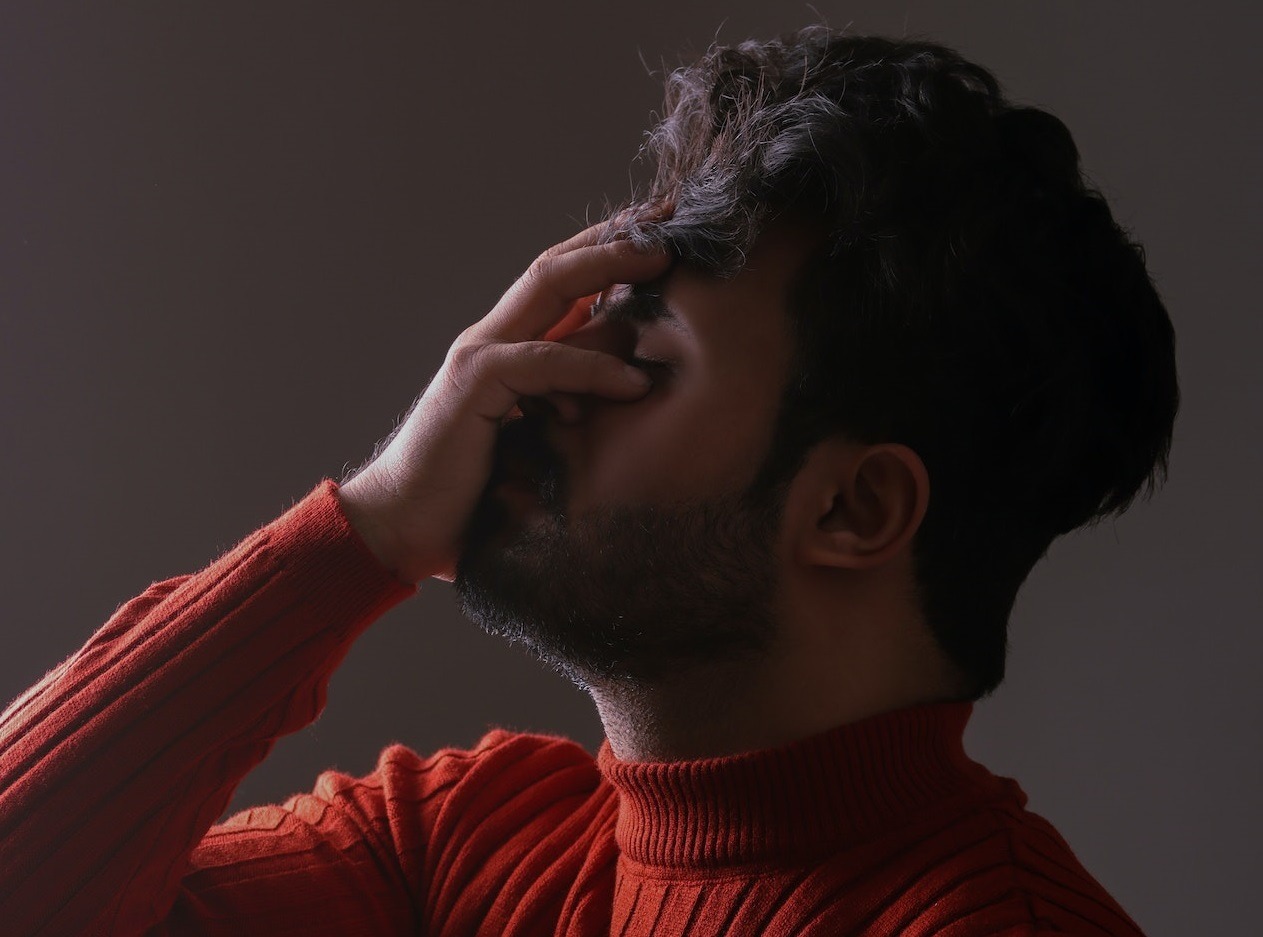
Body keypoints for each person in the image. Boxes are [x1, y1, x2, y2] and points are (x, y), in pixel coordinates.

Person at [0, 26, 1176, 936]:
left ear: (854, 509)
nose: (537, 379)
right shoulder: (472, 844)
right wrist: (365, 532)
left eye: (647, 358)